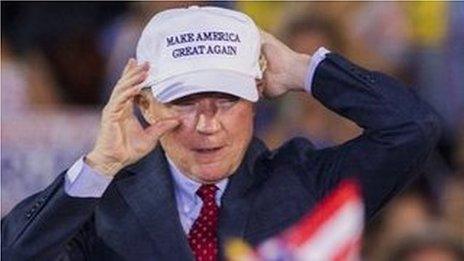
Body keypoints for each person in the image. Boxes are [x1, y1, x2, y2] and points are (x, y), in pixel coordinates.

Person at [1, 6, 441, 260]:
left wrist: (304, 70)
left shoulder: (304, 182)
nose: (207, 124)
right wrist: (100, 166)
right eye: (184, 101)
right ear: (142, 103)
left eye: (227, 100)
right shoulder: (103, 203)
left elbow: (413, 128)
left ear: (256, 97)